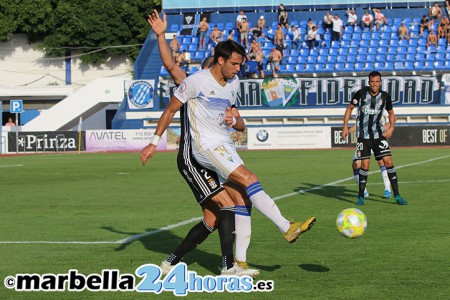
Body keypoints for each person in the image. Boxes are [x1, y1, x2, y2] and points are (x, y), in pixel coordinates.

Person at [141, 40, 316, 267]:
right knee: (248, 181)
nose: (237, 69)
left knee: (237, 203)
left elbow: (241, 124)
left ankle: (239, 263)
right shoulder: (194, 82)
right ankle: (286, 227)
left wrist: (234, 121)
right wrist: (153, 143)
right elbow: (170, 105)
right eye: (234, 64)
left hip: (225, 146)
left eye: (239, 65)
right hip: (205, 149)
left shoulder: (233, 83)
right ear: (219, 61)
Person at [146, 10, 259, 277]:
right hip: (192, 158)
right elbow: (170, 66)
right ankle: (228, 267)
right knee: (228, 204)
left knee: (211, 219)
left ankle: (171, 261)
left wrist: (238, 125)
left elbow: (240, 124)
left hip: (215, 157)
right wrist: (161, 35)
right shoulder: (193, 83)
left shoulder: (226, 89)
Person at [341, 71, 407, 206]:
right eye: (372, 82)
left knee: (388, 162)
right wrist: (345, 126)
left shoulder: (385, 97)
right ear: (369, 82)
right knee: (364, 165)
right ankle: (361, 196)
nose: (375, 84)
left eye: (377, 82)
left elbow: (391, 113)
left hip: (379, 135)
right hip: (363, 137)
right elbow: (349, 109)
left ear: (380, 82)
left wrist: (391, 128)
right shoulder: (361, 94)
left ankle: (397, 195)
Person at [348, 110, 394, 199]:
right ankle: (363, 191)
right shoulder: (360, 109)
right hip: (364, 140)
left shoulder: (379, 105)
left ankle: (387, 189)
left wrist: (385, 128)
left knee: (382, 162)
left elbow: (393, 119)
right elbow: (358, 125)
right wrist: (347, 131)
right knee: (356, 164)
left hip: (377, 138)